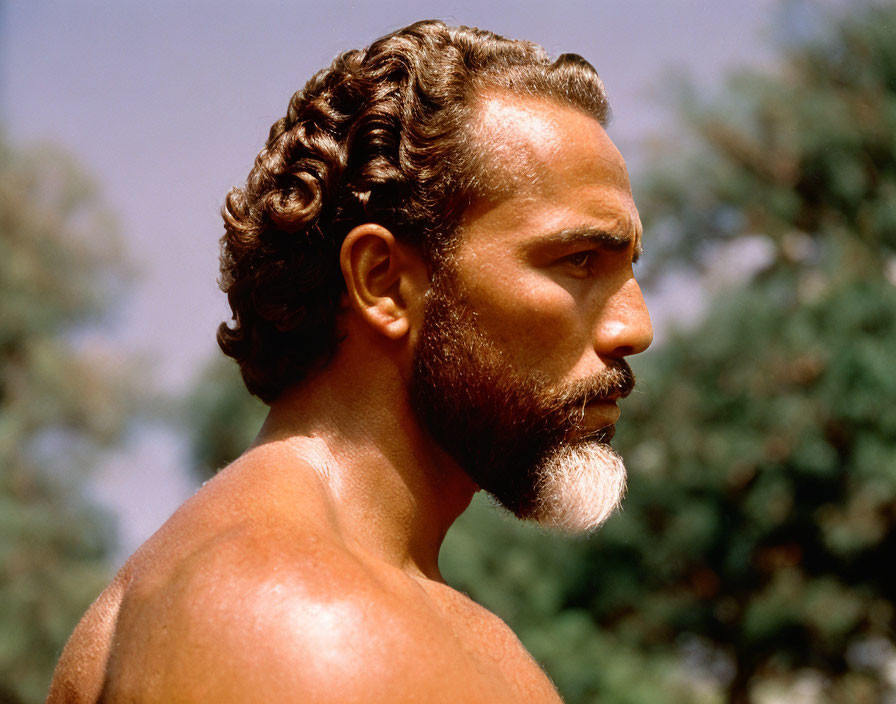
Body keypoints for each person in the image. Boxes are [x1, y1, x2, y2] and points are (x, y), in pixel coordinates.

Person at [49, 19, 652, 703]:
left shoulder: (367, 602)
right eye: (579, 262)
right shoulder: (292, 618)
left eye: (630, 270)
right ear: (384, 282)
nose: (637, 327)